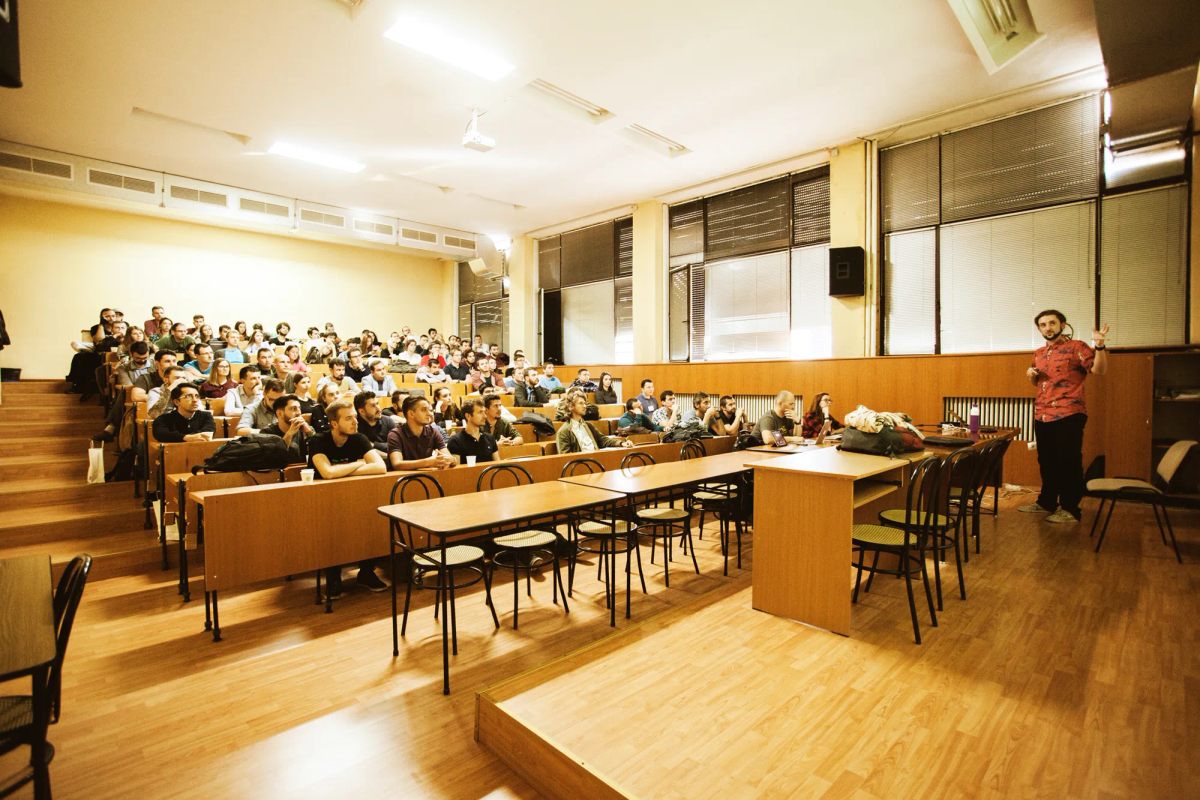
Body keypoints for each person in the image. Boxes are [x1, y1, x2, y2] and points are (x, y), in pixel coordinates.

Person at [1021, 311, 1109, 524]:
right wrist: (1032, 377)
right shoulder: (1039, 353)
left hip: (1069, 413)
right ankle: (1047, 502)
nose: (1047, 327)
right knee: (1047, 461)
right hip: (1042, 414)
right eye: (1043, 324)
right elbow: (1039, 384)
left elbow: (1099, 370)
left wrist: (1100, 346)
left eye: (1052, 323)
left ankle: (1070, 508)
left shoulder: (1077, 347)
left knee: (1068, 462)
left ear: (1062, 325)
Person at [307, 400, 389, 596]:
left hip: (353, 496)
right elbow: (326, 473)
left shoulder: (358, 438)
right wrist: (358, 464)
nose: (355, 421)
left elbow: (380, 467)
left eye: (355, 416)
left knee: (372, 520)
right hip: (322, 500)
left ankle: (366, 573)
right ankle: (333, 576)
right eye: (348, 418)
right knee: (331, 530)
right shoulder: (318, 440)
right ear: (334, 424)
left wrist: (342, 470)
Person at [93, 341, 155, 442]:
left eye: (145, 358)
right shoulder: (124, 367)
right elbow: (128, 385)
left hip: (152, 393)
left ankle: (111, 427)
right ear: (131, 354)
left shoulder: (154, 364)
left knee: (125, 394)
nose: (142, 361)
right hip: (135, 394)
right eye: (138, 358)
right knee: (126, 392)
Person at [387, 395, 456, 471]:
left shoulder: (433, 431)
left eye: (429, 410)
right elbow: (397, 464)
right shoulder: (395, 435)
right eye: (424, 410)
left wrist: (451, 460)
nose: (429, 414)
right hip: (403, 480)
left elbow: (449, 458)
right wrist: (428, 462)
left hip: (427, 478)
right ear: (411, 414)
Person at [556, 393, 632, 454]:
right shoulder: (564, 431)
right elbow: (565, 458)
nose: (585, 406)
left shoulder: (588, 426)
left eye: (585, 403)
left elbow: (603, 440)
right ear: (571, 406)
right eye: (581, 403)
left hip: (596, 461)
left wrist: (621, 443)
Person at [151, 383, 216, 443]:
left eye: (196, 396)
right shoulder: (163, 419)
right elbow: (161, 434)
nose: (195, 400)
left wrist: (188, 437)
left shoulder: (206, 416)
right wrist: (185, 437)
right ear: (176, 402)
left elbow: (209, 431)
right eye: (189, 396)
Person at [260, 394, 313, 464]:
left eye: (299, 408)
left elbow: (319, 453)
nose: (299, 413)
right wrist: (290, 433)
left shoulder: (306, 429)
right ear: (280, 414)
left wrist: (309, 433)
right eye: (293, 409)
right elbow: (274, 458)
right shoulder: (266, 433)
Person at [445, 398, 500, 464]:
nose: (485, 416)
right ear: (468, 416)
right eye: (480, 412)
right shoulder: (455, 441)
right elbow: (457, 471)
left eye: (484, 412)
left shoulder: (490, 438)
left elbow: (497, 465)